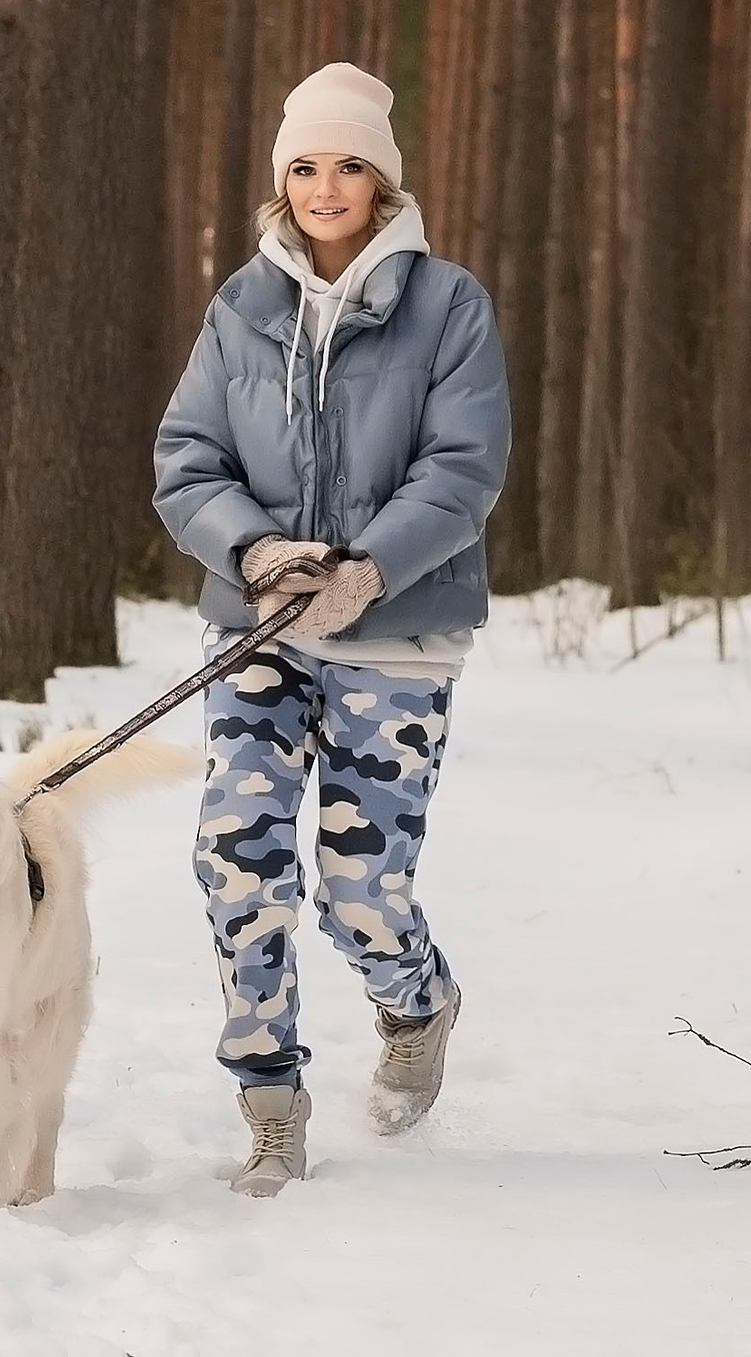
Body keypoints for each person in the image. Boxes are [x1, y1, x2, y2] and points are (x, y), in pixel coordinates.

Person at [153, 62, 508, 1196]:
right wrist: (252, 549)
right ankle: (270, 1103)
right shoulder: (241, 306)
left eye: (346, 163)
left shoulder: (447, 303)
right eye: (303, 164)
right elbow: (186, 457)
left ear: (382, 179)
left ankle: (417, 1000)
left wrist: (367, 569)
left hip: (393, 641)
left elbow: (463, 469)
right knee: (236, 860)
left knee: (360, 886)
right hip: (260, 635)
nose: (322, 184)